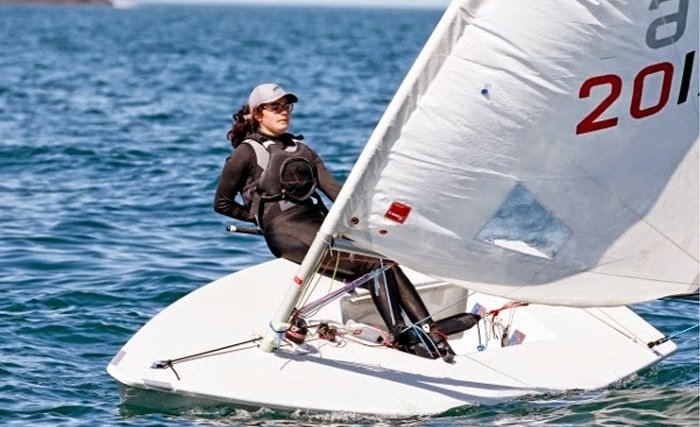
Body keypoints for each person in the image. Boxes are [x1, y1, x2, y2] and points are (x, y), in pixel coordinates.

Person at [213, 83, 451, 359]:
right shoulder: (247, 152)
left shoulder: (302, 150)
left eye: (286, 107)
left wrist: (373, 218)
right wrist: (259, 218)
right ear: (257, 114)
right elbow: (222, 203)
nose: (283, 113)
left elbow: (336, 193)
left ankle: (430, 330)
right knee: (372, 265)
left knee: (384, 261)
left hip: (317, 225)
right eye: (275, 107)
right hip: (284, 230)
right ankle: (402, 335)